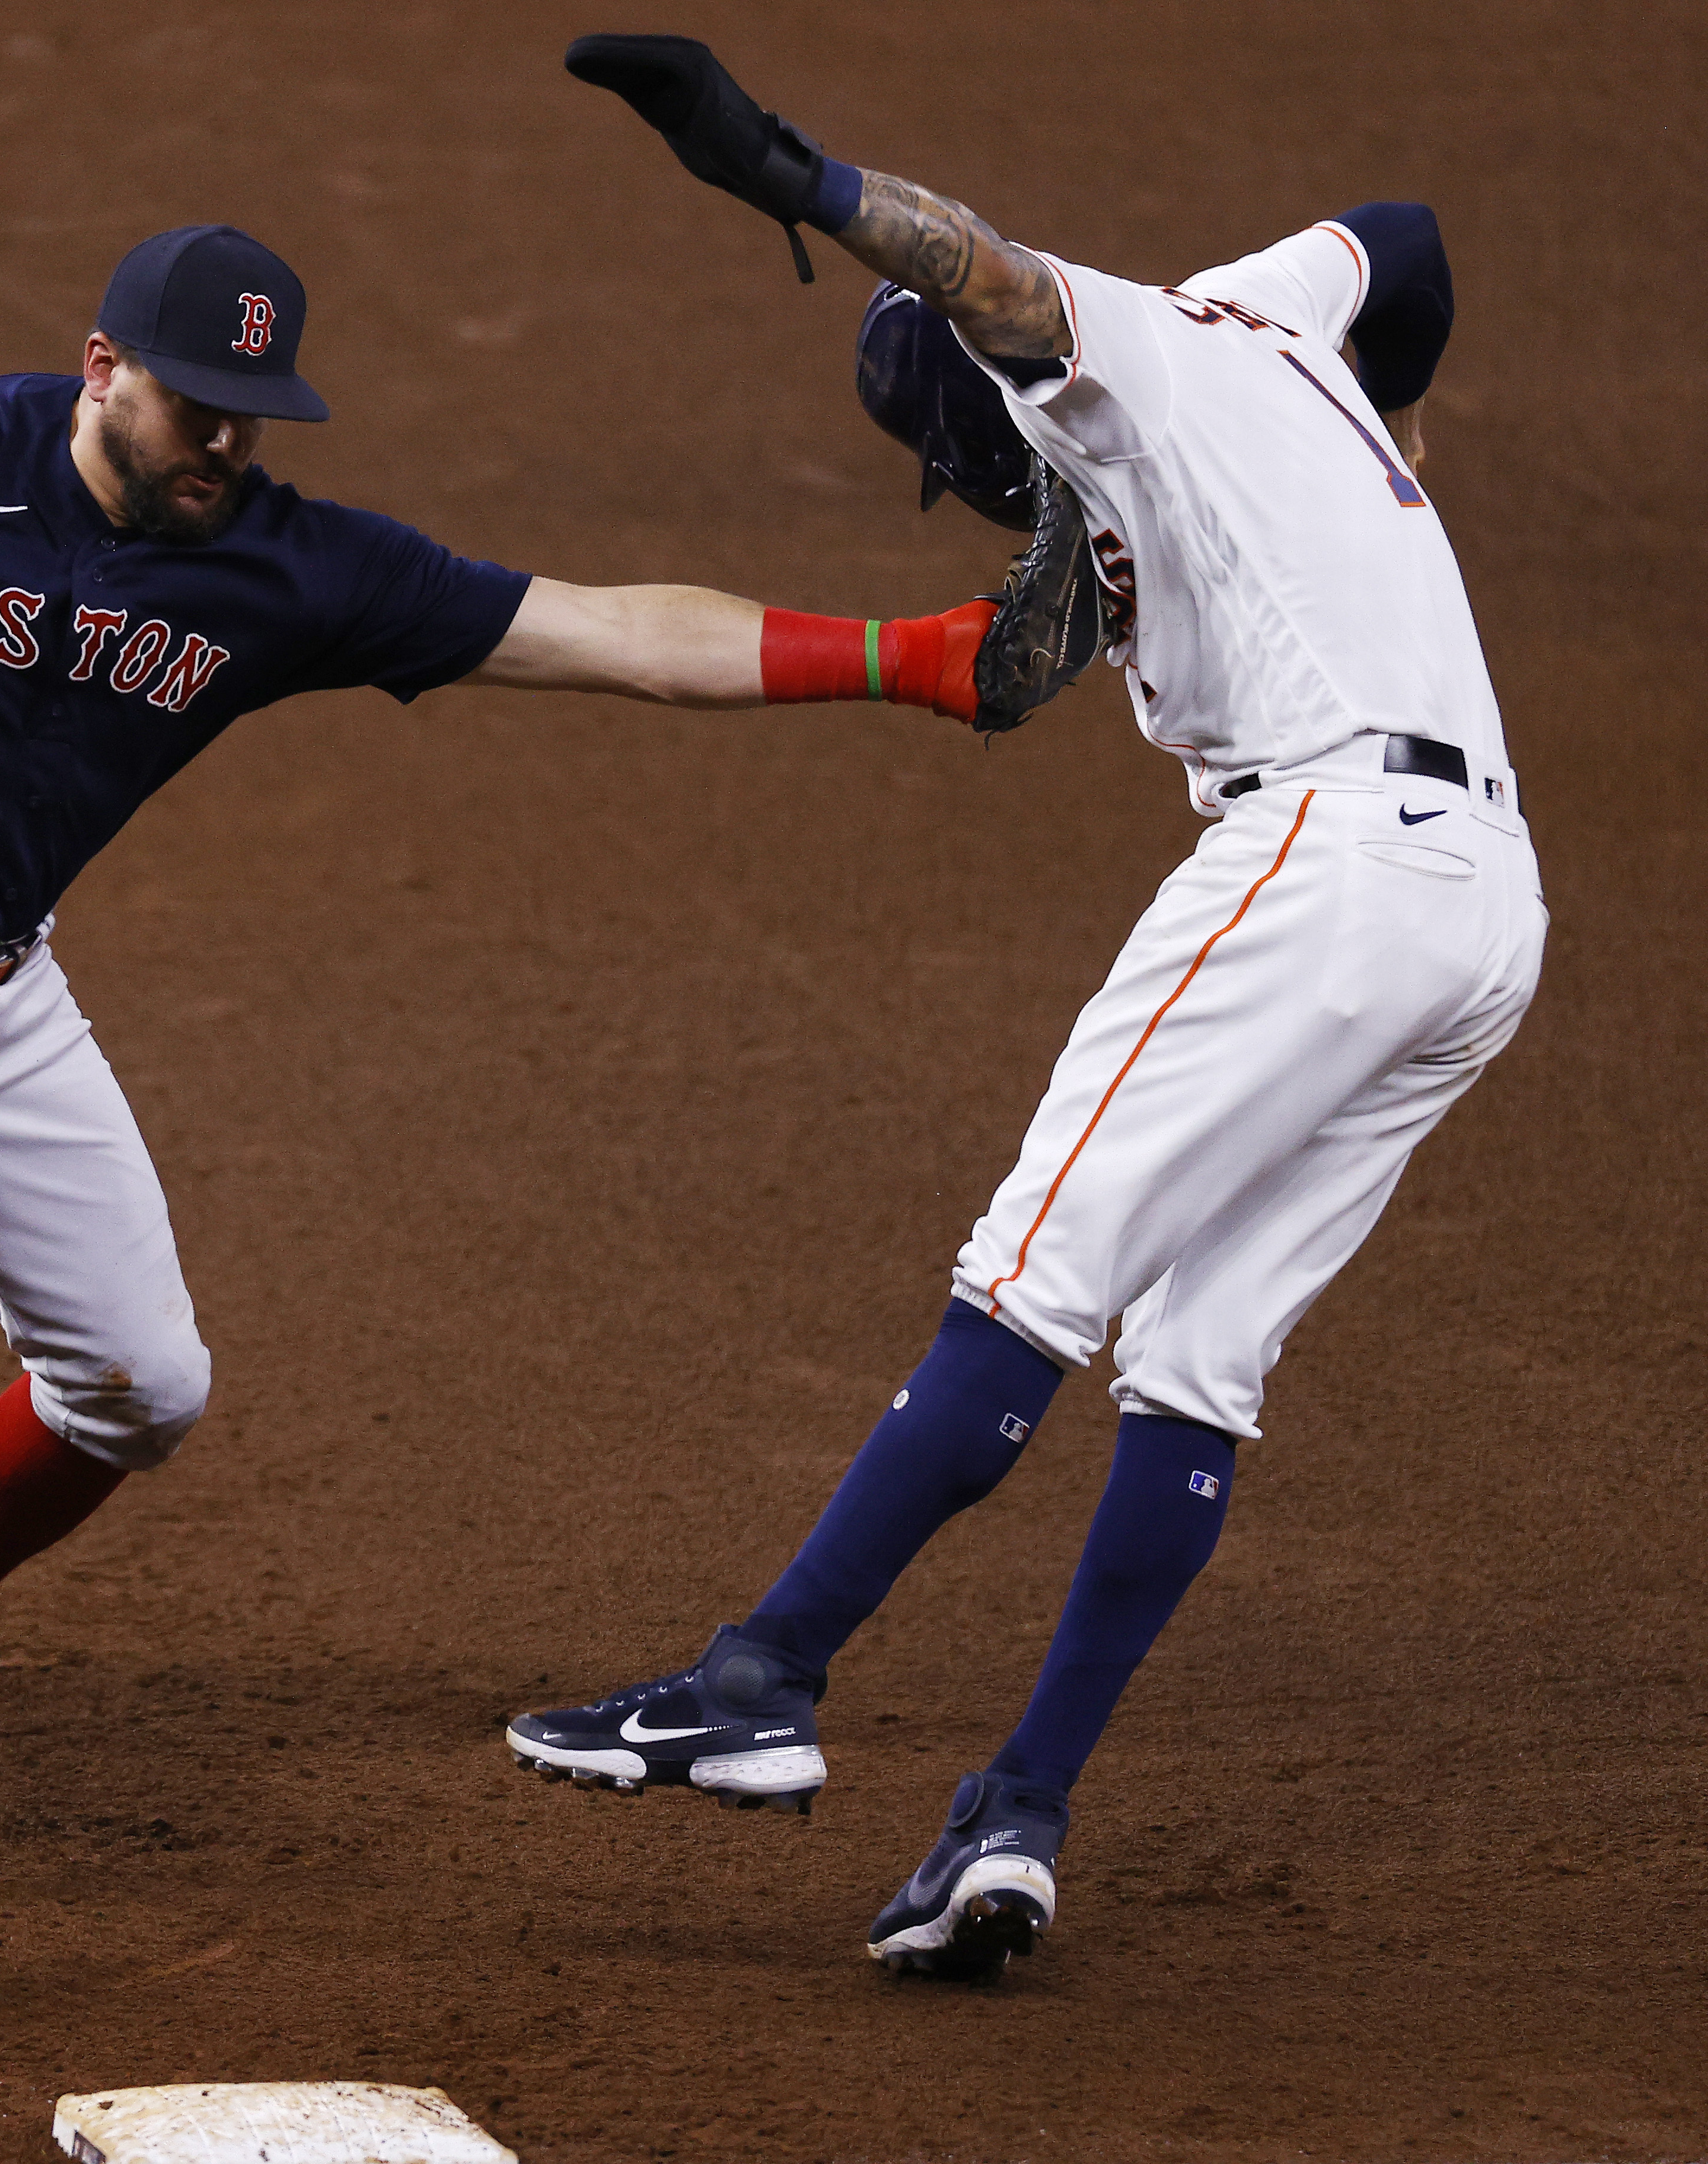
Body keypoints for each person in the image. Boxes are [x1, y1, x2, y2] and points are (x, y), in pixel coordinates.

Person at [0, 221, 1008, 1934]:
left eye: (257, 415)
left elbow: (618, 631)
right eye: (201, 407)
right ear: (102, 370)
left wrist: (914, 656)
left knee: (143, 1389)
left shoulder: (277, 565)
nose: (230, 447)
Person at [509, 38, 1547, 1981]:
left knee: (1031, 1275)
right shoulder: (1262, 315)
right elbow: (1396, 241)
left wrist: (777, 175)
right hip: (1485, 909)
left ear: (987, 422)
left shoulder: (1090, 362)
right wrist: (1380, 434)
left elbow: (974, 267)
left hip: (1320, 858)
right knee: (1196, 1363)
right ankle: (1016, 1817)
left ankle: (762, 1672)